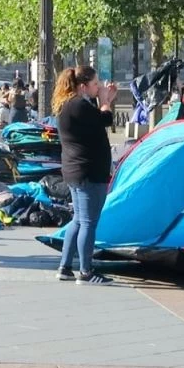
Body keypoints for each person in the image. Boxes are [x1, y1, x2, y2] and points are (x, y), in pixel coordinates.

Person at [52, 65, 118, 285]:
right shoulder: (79, 105)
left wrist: (105, 101)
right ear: (83, 86)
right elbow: (105, 120)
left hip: (76, 170)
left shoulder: (69, 105)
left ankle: (65, 267)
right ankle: (86, 271)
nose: (98, 87)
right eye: (95, 84)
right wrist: (105, 101)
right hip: (88, 171)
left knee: (79, 220)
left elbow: (96, 121)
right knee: (89, 222)